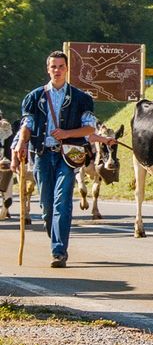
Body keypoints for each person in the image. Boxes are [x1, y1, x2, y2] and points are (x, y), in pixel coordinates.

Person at [14, 51, 97, 268]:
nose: (57, 70)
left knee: (62, 202)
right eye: (53, 67)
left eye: (61, 66)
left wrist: (67, 134)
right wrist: (22, 143)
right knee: (47, 206)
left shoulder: (81, 98)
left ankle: (59, 251)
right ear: (47, 69)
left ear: (67, 69)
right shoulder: (34, 97)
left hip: (67, 157)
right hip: (42, 154)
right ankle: (55, 236)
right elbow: (27, 125)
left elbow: (89, 128)